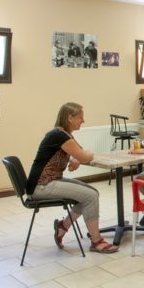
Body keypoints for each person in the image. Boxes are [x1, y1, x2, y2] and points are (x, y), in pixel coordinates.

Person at [27, 102, 118, 253]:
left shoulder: (63, 134)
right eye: (80, 117)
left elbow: (80, 152)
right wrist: (82, 156)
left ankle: (63, 225)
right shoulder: (59, 135)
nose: (83, 120)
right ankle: (96, 241)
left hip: (48, 182)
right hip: (42, 186)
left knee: (91, 193)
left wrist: (78, 157)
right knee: (90, 196)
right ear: (70, 118)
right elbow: (86, 156)